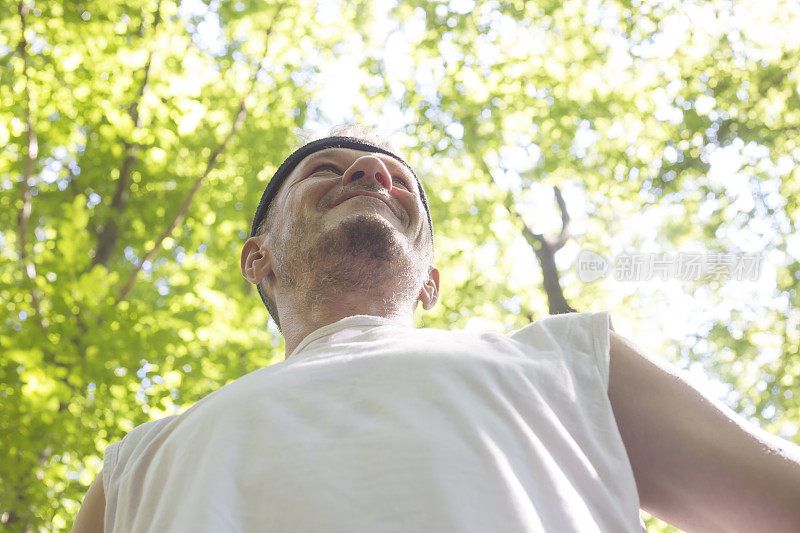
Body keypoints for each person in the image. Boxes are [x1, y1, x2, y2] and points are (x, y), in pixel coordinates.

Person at [73, 126, 800, 532]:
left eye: (399, 182)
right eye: (326, 168)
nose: (369, 172)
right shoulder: (134, 467)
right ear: (256, 257)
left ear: (431, 281)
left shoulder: (572, 363)